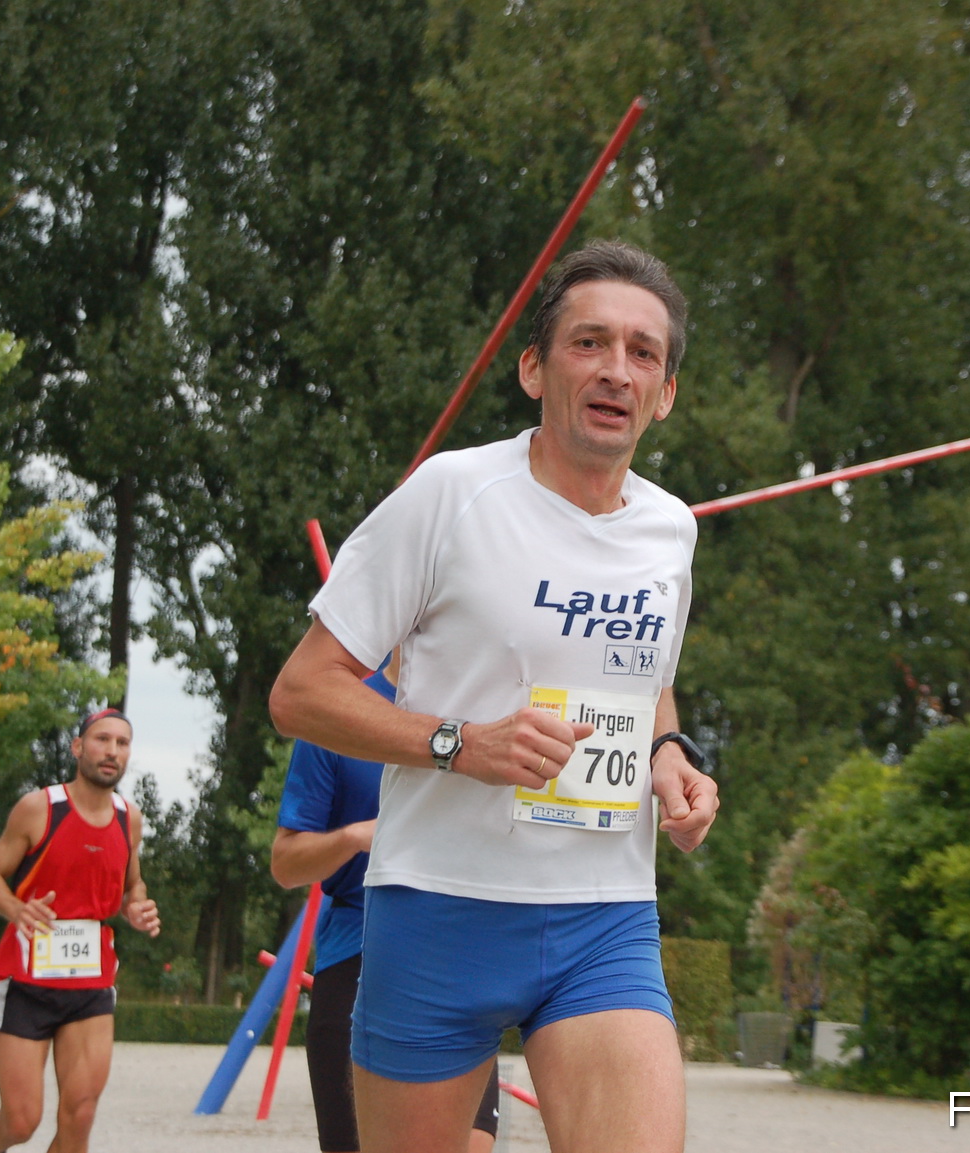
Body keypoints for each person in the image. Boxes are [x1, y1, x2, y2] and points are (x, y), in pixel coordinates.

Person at [269, 239, 720, 1153]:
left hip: (607, 917)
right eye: (589, 342)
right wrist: (457, 743)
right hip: (439, 910)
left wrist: (672, 756)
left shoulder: (671, 531)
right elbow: (300, 692)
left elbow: (649, 679)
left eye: (644, 353)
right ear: (533, 367)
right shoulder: (451, 495)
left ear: (666, 392)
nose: (616, 370)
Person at [271, 662, 501, 1153]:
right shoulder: (338, 707)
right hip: (358, 951)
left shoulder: (487, 706)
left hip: (458, 957)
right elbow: (285, 864)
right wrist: (356, 837)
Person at [0, 708, 161, 1153]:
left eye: (122, 743)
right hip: (27, 980)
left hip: (91, 981)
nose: (112, 751)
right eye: (102, 740)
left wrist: (136, 908)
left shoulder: (128, 817)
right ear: (78, 748)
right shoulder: (40, 807)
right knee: (21, 1121)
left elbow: (133, 884)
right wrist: (18, 909)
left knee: (81, 1115)